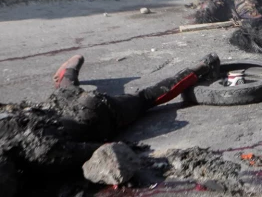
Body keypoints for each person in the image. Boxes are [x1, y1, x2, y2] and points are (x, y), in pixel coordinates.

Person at [0, 53, 220, 194]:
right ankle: (68, 70)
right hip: (55, 110)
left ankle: (200, 68)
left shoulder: (45, 155)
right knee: (66, 90)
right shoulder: (6, 135)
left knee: (145, 99)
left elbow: (104, 151)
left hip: (95, 115)